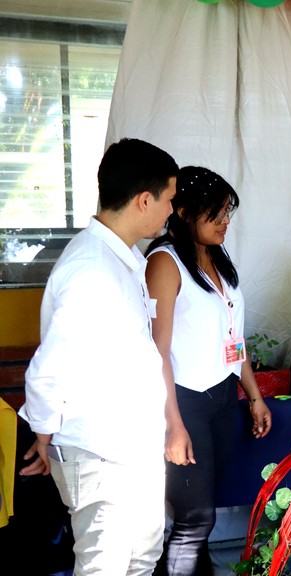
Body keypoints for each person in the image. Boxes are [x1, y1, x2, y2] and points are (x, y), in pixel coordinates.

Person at [18, 138, 179, 575]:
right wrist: (44, 433)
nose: (171, 210)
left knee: (142, 560)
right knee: (104, 567)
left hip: (133, 447)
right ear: (144, 200)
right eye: (168, 199)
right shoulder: (91, 269)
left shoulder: (122, 257)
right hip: (99, 453)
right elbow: (47, 370)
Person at [145, 166, 273, 575]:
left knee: (202, 515)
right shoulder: (165, 262)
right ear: (183, 212)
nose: (224, 222)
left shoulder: (216, 257)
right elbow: (157, 351)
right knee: (194, 520)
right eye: (215, 214)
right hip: (184, 402)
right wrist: (173, 425)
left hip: (221, 398)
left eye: (227, 212)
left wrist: (253, 396)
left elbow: (234, 337)